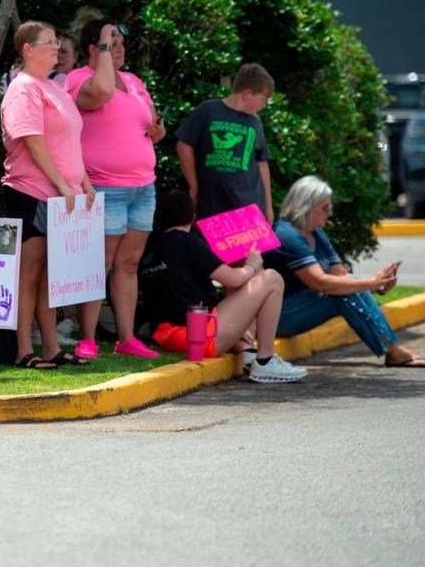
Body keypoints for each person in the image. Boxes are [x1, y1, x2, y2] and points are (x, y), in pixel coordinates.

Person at [65, 18, 163, 359]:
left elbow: (153, 124)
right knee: (98, 264)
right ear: (94, 49)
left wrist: (158, 130)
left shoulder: (134, 81)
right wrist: (104, 45)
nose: (119, 50)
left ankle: (126, 338)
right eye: (111, 43)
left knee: (129, 264)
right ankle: (88, 338)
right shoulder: (79, 80)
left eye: (120, 44)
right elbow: (101, 93)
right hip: (104, 187)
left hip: (142, 187)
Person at [1, 20, 96, 370]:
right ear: (28, 49)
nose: (57, 47)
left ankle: (52, 346)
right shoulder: (24, 88)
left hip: (61, 196)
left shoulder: (54, 87)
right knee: (30, 272)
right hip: (31, 191)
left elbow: (68, 143)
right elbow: (33, 141)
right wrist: (59, 183)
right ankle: (24, 348)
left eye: (57, 42)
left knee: (51, 275)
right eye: (49, 42)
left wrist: (82, 181)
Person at [140, 190, 308, 383]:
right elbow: (234, 280)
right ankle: (265, 360)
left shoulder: (150, 246)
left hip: (165, 335)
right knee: (271, 278)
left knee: (241, 278)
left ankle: (248, 351)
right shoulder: (187, 242)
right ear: (193, 216)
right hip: (198, 336)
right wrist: (252, 263)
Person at [264, 175, 425, 366]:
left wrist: (378, 286)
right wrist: (371, 282)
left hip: (301, 309)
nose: (330, 213)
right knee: (342, 294)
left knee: (349, 287)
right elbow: (320, 283)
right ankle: (394, 351)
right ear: (305, 206)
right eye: (325, 208)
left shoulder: (316, 233)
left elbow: (341, 276)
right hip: (278, 317)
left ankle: (394, 350)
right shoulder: (286, 234)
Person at [175, 63, 275, 223]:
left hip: (249, 208)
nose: (264, 105)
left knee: (251, 249)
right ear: (246, 94)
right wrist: (194, 186)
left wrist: (268, 207)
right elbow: (184, 145)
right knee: (213, 248)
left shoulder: (255, 122)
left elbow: (261, 162)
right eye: (263, 99)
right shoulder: (208, 110)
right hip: (213, 205)